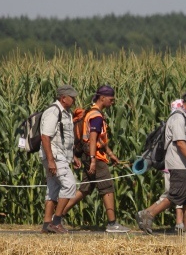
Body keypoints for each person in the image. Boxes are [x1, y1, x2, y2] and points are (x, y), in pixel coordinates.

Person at [136, 89, 186, 234]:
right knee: (176, 195)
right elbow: (180, 143)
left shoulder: (185, 117)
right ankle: (148, 214)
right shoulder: (178, 118)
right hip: (178, 163)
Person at [63, 85, 129, 233]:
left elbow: (99, 140)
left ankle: (58, 215)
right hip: (95, 157)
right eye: (111, 99)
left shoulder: (91, 113)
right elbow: (93, 139)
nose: (113, 102)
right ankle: (112, 224)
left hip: (89, 155)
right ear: (102, 98)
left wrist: (111, 155)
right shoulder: (97, 116)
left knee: (85, 188)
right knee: (107, 188)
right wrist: (93, 160)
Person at [40, 85, 80, 234]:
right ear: (63, 98)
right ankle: (56, 222)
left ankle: (46, 224)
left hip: (60, 155)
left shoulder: (66, 113)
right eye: (72, 97)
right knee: (70, 185)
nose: (74, 99)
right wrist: (51, 160)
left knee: (53, 189)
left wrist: (72, 156)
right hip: (54, 156)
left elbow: (63, 139)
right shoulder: (53, 112)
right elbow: (45, 136)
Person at [154, 99, 185, 231]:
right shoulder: (176, 122)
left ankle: (179, 223)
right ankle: (147, 214)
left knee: (173, 194)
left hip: (171, 164)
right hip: (173, 164)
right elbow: (180, 144)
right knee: (173, 194)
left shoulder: (171, 122)